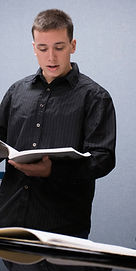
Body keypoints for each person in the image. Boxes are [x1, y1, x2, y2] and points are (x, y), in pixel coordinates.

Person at [0, 9, 116, 238]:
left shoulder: (95, 97)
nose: (51, 57)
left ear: (72, 46)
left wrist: (53, 170)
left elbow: (103, 159)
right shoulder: (16, 92)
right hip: (8, 217)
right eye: (43, 48)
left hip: (62, 225)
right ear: (34, 48)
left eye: (59, 47)